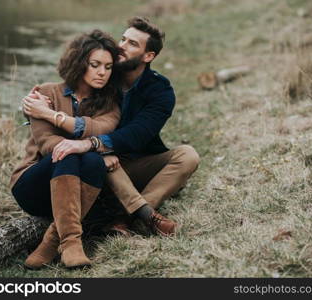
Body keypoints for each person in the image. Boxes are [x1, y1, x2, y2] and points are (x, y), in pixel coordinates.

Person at [25, 17, 200, 237]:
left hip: (133, 161)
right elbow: (70, 94)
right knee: (103, 161)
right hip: (93, 163)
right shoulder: (103, 73)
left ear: (148, 56)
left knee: (188, 155)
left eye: (132, 44)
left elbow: (136, 135)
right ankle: (146, 216)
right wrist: (35, 104)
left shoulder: (161, 91)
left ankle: (127, 216)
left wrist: (96, 144)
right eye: (123, 39)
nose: (121, 46)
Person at [10, 29, 122, 269]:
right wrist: (85, 145)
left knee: (90, 162)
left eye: (108, 67)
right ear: (79, 62)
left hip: (72, 189)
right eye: (95, 64)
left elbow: (105, 128)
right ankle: (70, 242)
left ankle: (53, 241)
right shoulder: (46, 93)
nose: (102, 72)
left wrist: (55, 118)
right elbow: (46, 143)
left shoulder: (109, 103)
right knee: (67, 154)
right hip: (34, 185)